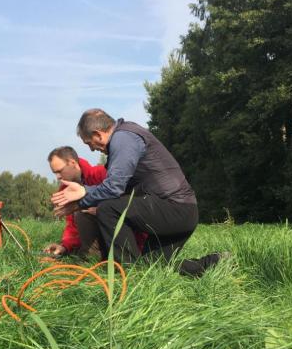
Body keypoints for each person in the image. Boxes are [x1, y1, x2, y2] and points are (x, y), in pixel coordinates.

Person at [51, 109, 227, 277]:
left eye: (89, 143)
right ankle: (217, 261)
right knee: (151, 268)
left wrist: (82, 197)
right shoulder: (127, 135)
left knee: (108, 209)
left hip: (176, 209)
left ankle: (128, 275)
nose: (91, 149)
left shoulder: (123, 139)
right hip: (181, 211)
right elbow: (123, 192)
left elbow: (113, 187)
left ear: (98, 134)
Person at [43, 146, 146, 258]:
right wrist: (64, 246)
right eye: (55, 173)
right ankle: (92, 258)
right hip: (99, 242)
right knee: (80, 214)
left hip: (127, 238)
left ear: (72, 163)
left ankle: (118, 257)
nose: (58, 177)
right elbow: (72, 225)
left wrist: (101, 210)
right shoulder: (65, 190)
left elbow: (130, 204)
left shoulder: (103, 174)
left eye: (60, 171)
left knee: (86, 212)